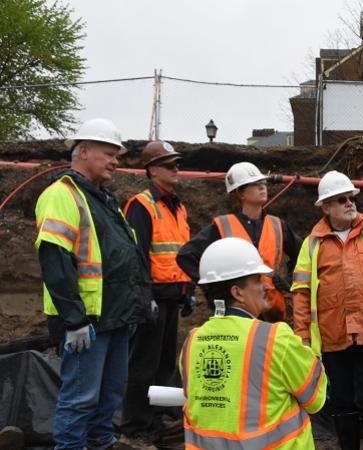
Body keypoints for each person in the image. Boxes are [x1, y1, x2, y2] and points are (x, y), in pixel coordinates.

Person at [34, 118, 151, 450]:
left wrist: (141, 301)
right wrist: (74, 320)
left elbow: (125, 255)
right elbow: (55, 262)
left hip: (115, 317)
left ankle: (101, 445)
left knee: (109, 397)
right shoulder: (62, 195)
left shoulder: (103, 199)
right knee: (80, 399)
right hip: (86, 322)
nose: (116, 161)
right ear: (83, 151)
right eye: (109, 153)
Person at [291, 170, 363, 450]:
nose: (349, 203)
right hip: (332, 337)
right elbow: (301, 293)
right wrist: (303, 337)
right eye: (341, 199)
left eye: (351, 198)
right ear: (326, 207)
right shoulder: (313, 244)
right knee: (342, 400)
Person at [180, 237, 326, 449]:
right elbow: (315, 398)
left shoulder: (192, 341)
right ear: (237, 292)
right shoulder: (275, 338)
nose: (266, 286)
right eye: (258, 280)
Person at [121, 141, 193, 439]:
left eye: (177, 164)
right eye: (169, 165)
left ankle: (156, 422)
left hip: (172, 296)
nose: (176, 169)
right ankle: (135, 428)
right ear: (151, 170)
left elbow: (181, 252)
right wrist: (145, 296)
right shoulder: (142, 205)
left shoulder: (177, 206)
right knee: (143, 365)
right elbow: (137, 254)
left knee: (164, 366)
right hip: (152, 297)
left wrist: (187, 290)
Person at [177, 161, 302, 323]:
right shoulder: (223, 226)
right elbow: (186, 256)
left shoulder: (278, 225)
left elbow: (303, 253)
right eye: (255, 184)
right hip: (237, 310)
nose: (262, 187)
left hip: (272, 309)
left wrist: (289, 281)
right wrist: (213, 288)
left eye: (263, 182)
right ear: (240, 193)